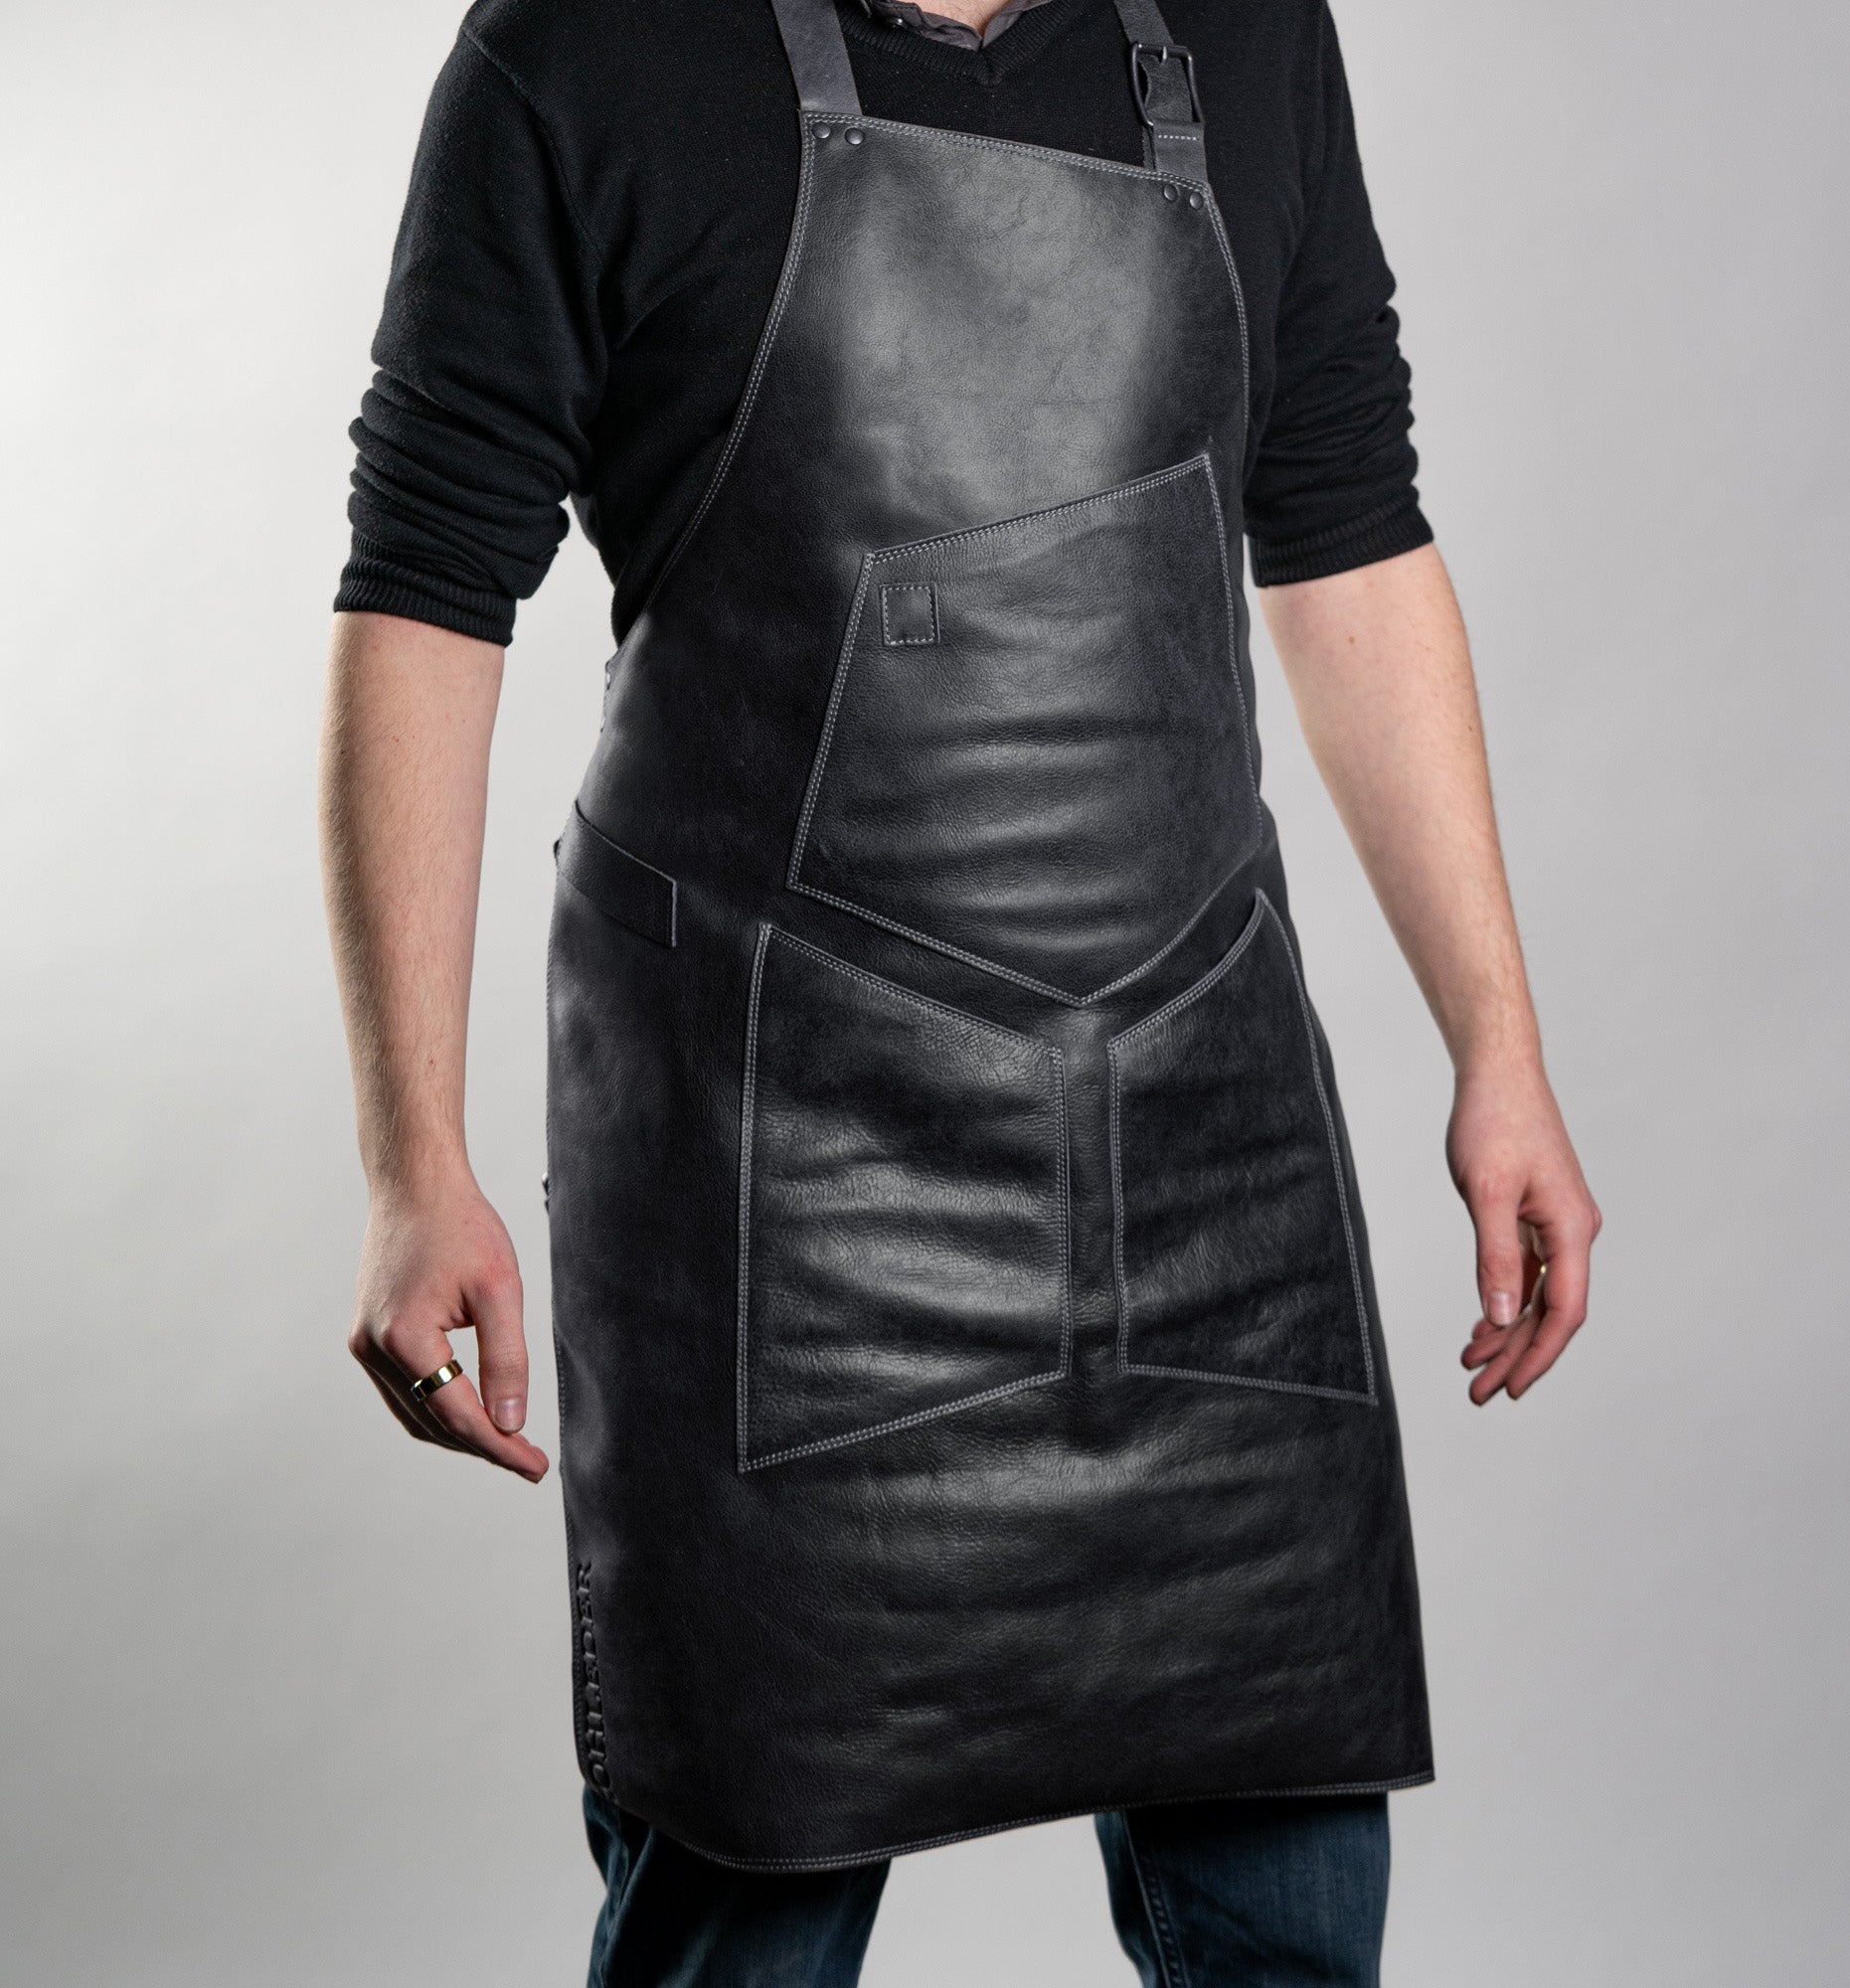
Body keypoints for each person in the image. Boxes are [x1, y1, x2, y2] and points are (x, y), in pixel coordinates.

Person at [318, 0, 1601, 1980]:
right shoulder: (583, 53)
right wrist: (414, 1158)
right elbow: (424, 590)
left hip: (1202, 1157)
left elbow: (1347, 525)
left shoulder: (1249, 33)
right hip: (779, 1177)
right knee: (744, 1909)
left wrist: (1498, 1047)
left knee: (1285, 1914)